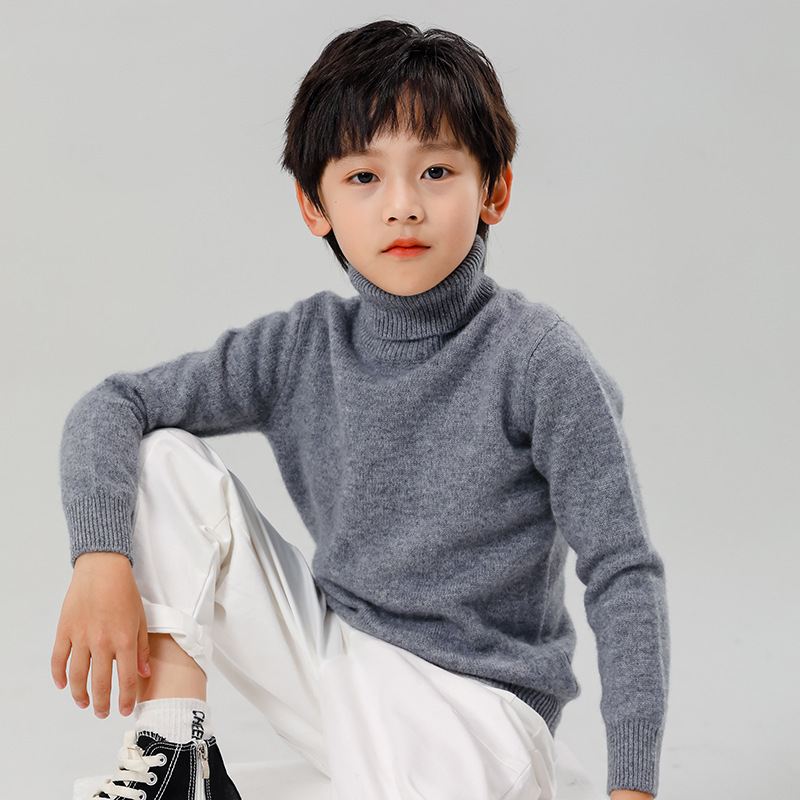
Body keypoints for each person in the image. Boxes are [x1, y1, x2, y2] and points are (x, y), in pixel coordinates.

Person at [52, 20, 668, 800]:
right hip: (340, 665)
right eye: (364, 177)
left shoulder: (539, 358)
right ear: (315, 205)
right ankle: (177, 753)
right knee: (159, 456)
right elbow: (113, 404)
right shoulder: (304, 345)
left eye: (436, 170)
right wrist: (99, 557)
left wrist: (635, 788)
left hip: (477, 716)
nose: (402, 206)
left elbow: (623, 570)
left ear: (495, 190)